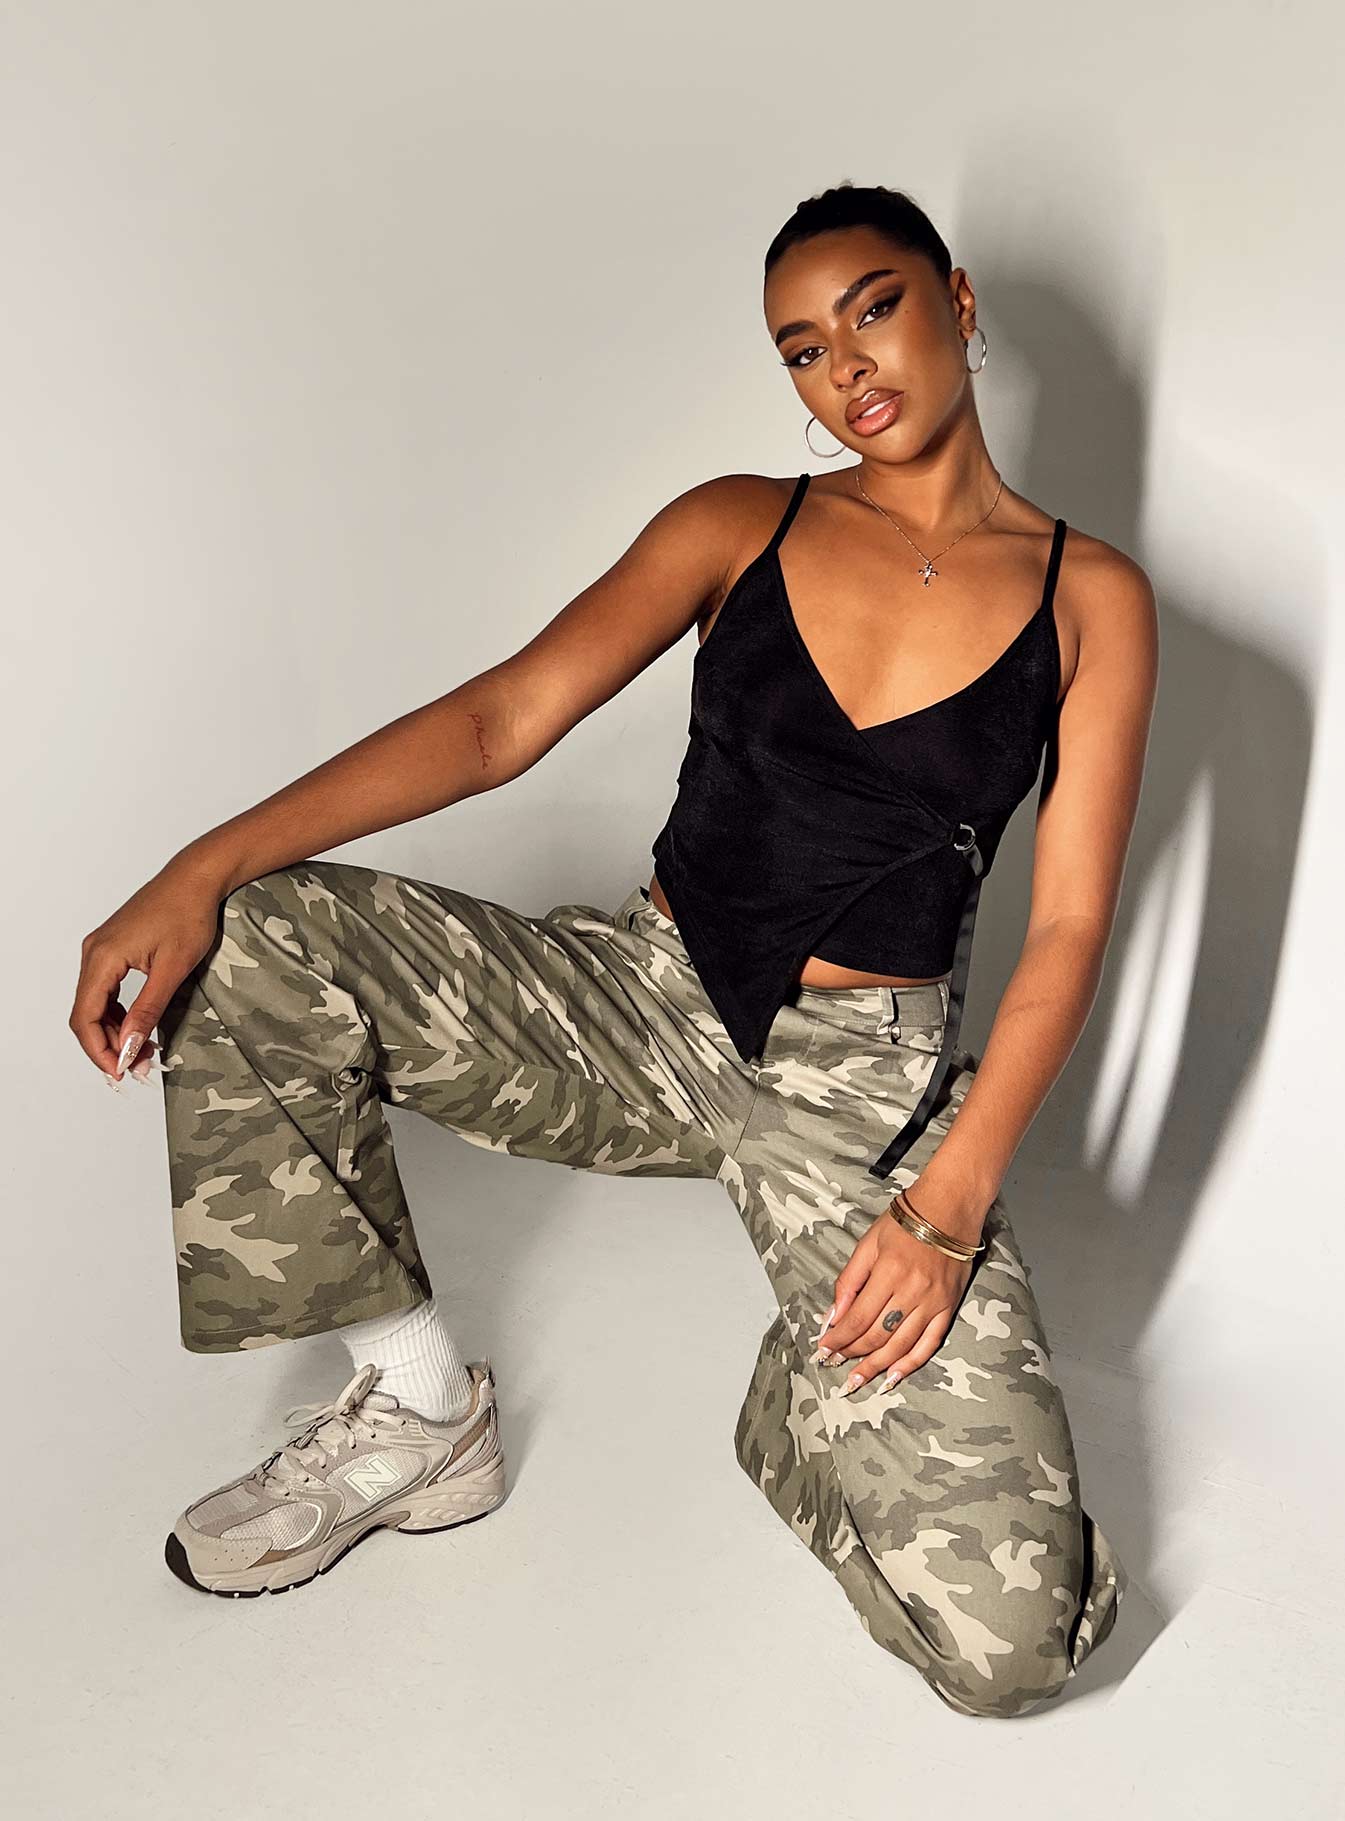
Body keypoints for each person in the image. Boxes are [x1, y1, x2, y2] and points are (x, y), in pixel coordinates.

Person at [70, 181, 1156, 1717]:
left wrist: (948, 1198)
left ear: (957, 303)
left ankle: (804, 1402)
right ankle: (415, 1408)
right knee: (252, 930)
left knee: (1010, 1651)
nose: (845, 366)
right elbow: (497, 723)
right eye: (801, 348)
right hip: (635, 1002)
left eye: (874, 309)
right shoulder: (740, 522)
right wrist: (198, 864)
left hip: (864, 1095)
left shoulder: (1086, 594)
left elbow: (1070, 922)